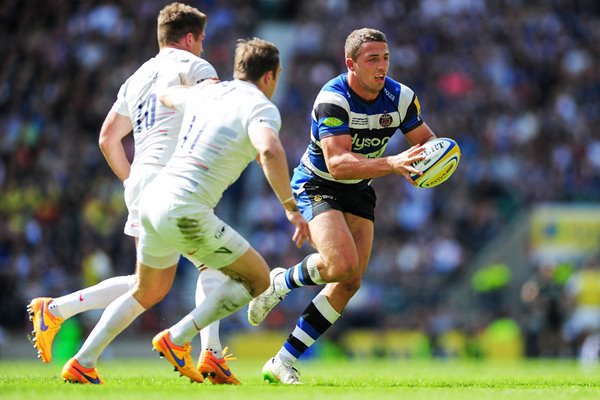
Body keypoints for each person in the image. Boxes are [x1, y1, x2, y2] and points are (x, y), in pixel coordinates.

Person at [58, 37, 309, 384]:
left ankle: (83, 361)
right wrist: (291, 209)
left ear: (237, 69)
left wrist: (168, 73)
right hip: (187, 209)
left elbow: (166, 95)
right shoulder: (261, 106)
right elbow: (269, 151)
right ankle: (178, 338)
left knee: (145, 289)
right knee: (258, 279)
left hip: (152, 202)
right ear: (271, 76)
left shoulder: (206, 93)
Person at [27, 2, 240, 384]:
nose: (204, 48)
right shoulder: (194, 67)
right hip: (176, 181)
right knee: (213, 267)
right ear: (189, 38)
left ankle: (60, 317)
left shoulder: (137, 78)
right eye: (202, 40)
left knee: (151, 282)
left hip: (143, 180)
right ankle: (209, 354)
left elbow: (108, 138)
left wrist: (131, 181)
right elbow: (215, 109)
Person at [247, 28, 438, 384]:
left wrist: (437, 158)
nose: (382, 67)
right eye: (372, 60)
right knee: (340, 264)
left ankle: (282, 360)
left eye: (385, 58)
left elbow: (425, 141)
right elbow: (338, 163)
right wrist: (393, 164)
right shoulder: (333, 98)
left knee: (350, 281)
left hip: (359, 187)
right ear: (351, 63)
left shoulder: (401, 97)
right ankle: (283, 281)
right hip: (318, 183)